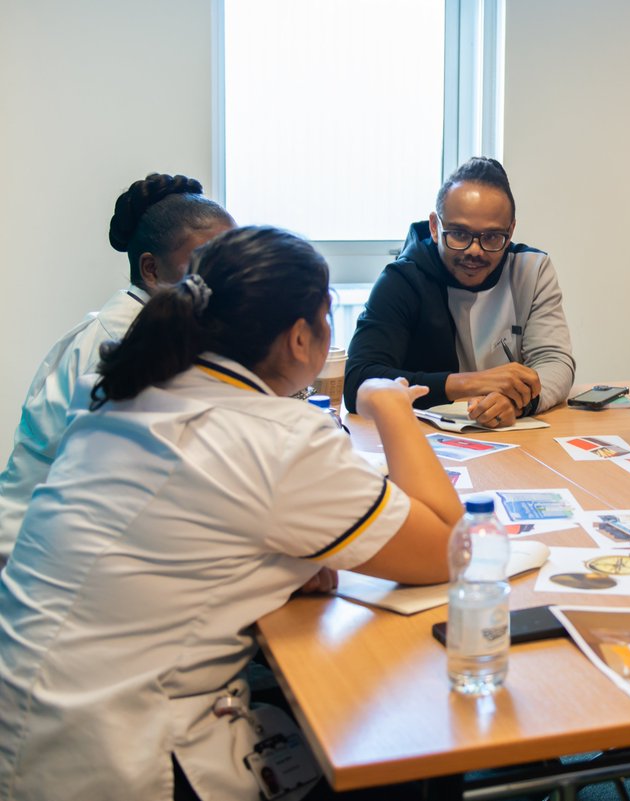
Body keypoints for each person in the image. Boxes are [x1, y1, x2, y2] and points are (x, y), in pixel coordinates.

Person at [0, 226, 464, 800]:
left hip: (30, 729)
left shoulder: (128, 390)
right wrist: (389, 404)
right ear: (301, 339)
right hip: (125, 760)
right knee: (404, 747)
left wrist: (268, 568)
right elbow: (450, 548)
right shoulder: (277, 437)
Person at [0, 173, 235, 563]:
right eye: (208, 267)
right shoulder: (125, 345)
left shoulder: (149, 328)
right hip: (33, 558)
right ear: (151, 270)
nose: (228, 283)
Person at [344, 157, 575, 428]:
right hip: (423, 437)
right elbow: (359, 380)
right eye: (459, 234)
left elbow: (555, 361)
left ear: (511, 230)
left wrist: (517, 401)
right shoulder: (402, 279)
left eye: (491, 237)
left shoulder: (531, 270)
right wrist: (473, 383)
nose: (474, 251)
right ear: (434, 226)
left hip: (509, 436)